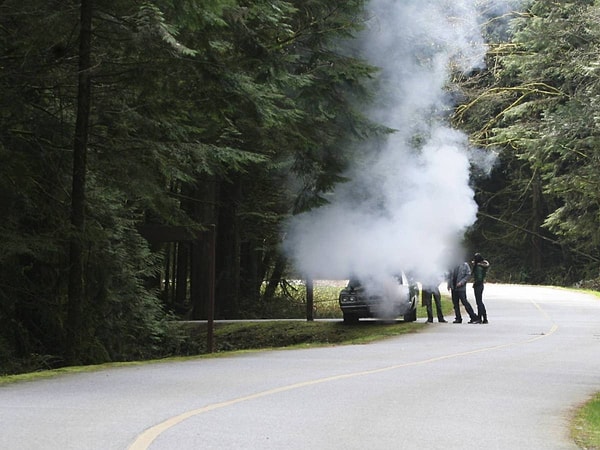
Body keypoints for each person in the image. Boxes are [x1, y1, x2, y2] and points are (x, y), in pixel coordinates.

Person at [472, 253, 490, 324]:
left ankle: (480, 318)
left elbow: (479, 278)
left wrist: (475, 283)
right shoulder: (482, 266)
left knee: (479, 302)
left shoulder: (478, 268)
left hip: (478, 285)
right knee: (480, 302)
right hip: (481, 285)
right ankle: (484, 318)